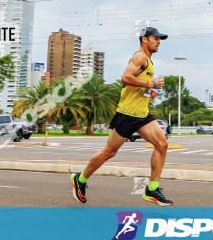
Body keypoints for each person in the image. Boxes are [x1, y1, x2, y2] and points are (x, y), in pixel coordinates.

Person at [70, 26, 172, 206]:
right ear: (144, 40)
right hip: (127, 114)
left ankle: (152, 189)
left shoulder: (148, 61)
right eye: (155, 38)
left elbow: (133, 86)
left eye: (159, 39)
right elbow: (125, 78)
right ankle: (81, 179)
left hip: (142, 114)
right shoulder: (139, 56)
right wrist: (150, 83)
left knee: (162, 144)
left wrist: (149, 90)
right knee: (109, 152)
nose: (159, 42)